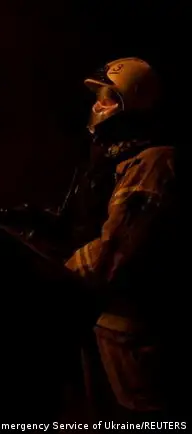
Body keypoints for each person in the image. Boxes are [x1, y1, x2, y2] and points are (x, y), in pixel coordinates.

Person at [61, 57, 185, 421]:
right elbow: (87, 225)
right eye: (97, 97)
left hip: (134, 332)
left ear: (133, 104)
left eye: (108, 98)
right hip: (102, 318)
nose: (97, 107)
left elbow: (115, 250)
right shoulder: (114, 161)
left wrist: (54, 273)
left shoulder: (153, 163)